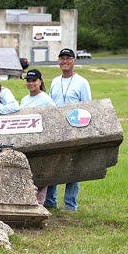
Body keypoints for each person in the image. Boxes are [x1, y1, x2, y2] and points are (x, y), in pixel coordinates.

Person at [46, 48, 92, 212]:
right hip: (57, 129)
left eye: (68, 58)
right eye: (62, 58)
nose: (64, 61)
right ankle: (50, 202)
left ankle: (70, 205)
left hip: (75, 128)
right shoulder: (54, 81)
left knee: (73, 167)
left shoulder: (82, 82)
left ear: (74, 61)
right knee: (53, 165)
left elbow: (88, 107)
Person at [19, 69, 56, 205]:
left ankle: (40, 202)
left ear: (40, 81)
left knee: (41, 172)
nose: (31, 83)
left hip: (41, 140)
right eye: (28, 81)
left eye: (34, 80)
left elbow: (53, 118)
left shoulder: (46, 100)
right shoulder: (24, 100)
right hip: (26, 140)